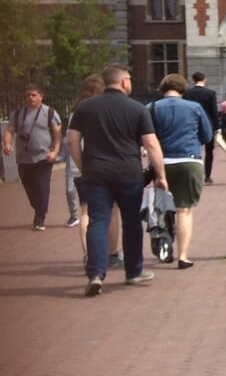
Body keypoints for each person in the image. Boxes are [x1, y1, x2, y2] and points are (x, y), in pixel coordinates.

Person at [67, 63, 167, 296]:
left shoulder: (85, 108)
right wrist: (160, 175)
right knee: (131, 222)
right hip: (129, 174)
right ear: (124, 82)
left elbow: (72, 141)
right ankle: (133, 271)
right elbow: (151, 144)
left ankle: (95, 273)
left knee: (98, 221)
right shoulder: (137, 108)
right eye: (129, 79)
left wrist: (84, 166)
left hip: (96, 174)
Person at [149, 73, 212, 269]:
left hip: (162, 162)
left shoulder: (151, 108)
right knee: (184, 210)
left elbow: (146, 136)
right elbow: (207, 135)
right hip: (189, 160)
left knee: (162, 208)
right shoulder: (194, 108)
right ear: (183, 89)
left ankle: (164, 249)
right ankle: (183, 255)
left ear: (162, 88)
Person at [65, 76, 117, 265]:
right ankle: (111, 253)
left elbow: (72, 141)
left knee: (85, 211)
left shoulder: (75, 112)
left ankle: (88, 254)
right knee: (111, 210)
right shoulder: (103, 109)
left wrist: (80, 166)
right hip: (102, 165)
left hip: (81, 168)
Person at [4, 84, 63, 230]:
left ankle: (40, 218)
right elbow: (9, 130)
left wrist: (55, 151)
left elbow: (57, 133)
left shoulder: (49, 112)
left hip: (43, 157)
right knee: (30, 189)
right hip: (24, 158)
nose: (30, 98)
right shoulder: (18, 114)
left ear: (41, 96)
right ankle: (39, 209)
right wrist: (7, 144)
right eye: (28, 95)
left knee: (42, 187)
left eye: (33, 95)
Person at [181, 71, 221, 183]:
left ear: (193, 80)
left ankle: (193, 175)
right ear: (204, 79)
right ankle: (207, 176)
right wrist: (217, 127)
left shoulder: (187, 93)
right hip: (208, 124)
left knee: (193, 149)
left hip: (193, 124)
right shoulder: (210, 93)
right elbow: (214, 111)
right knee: (209, 151)